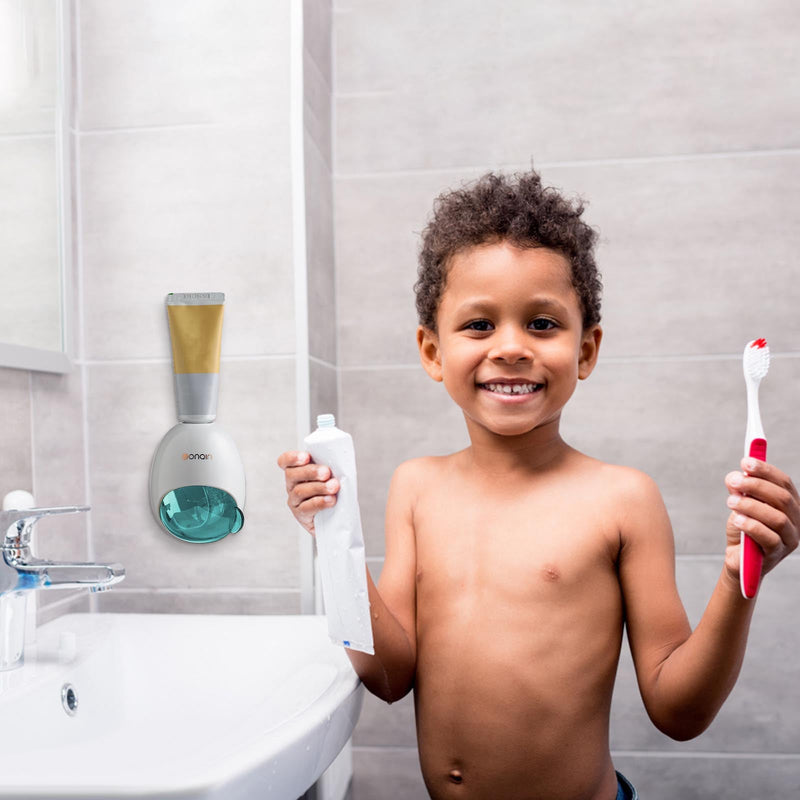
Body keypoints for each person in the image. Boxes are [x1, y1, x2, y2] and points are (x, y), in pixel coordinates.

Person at [277, 170, 800, 800]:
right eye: (478, 326)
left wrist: (738, 581)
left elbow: (678, 711)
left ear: (586, 350)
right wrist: (335, 536)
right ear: (432, 351)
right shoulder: (416, 488)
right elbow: (390, 675)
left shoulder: (621, 501)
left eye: (543, 324)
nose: (511, 348)